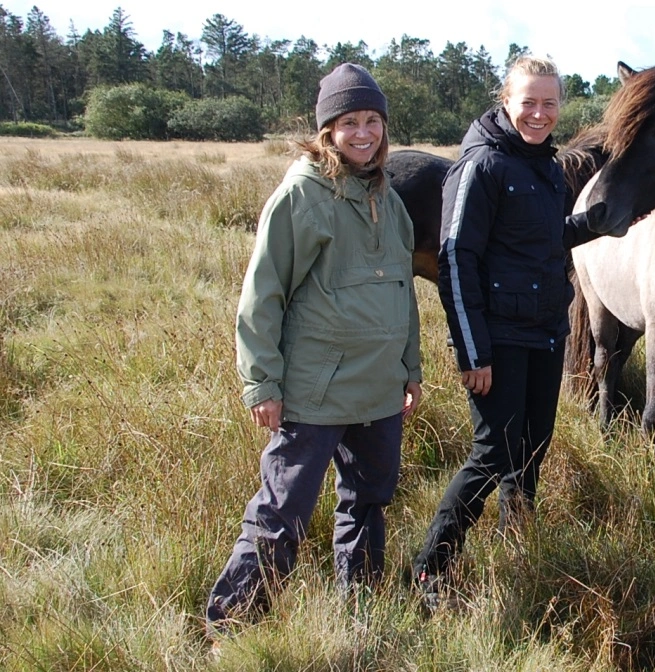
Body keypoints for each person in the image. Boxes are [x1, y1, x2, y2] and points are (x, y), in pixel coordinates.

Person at [206, 63, 423, 640]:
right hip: (315, 391)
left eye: (372, 120)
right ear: (326, 130)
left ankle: (362, 608)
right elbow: (262, 296)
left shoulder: (387, 197)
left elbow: (404, 293)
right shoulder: (301, 195)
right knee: (283, 512)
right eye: (349, 121)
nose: (363, 133)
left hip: (379, 389)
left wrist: (411, 369)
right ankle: (232, 625)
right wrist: (262, 384)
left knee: (369, 501)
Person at [411, 55, 601, 607]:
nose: (539, 113)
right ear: (506, 100)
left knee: (533, 447)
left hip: (545, 331)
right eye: (528, 102)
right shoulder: (481, 164)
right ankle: (432, 567)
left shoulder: (543, 165)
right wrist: (473, 352)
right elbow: (455, 260)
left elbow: (539, 239)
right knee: (493, 452)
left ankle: (515, 543)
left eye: (549, 103)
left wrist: (593, 224)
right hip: (497, 337)